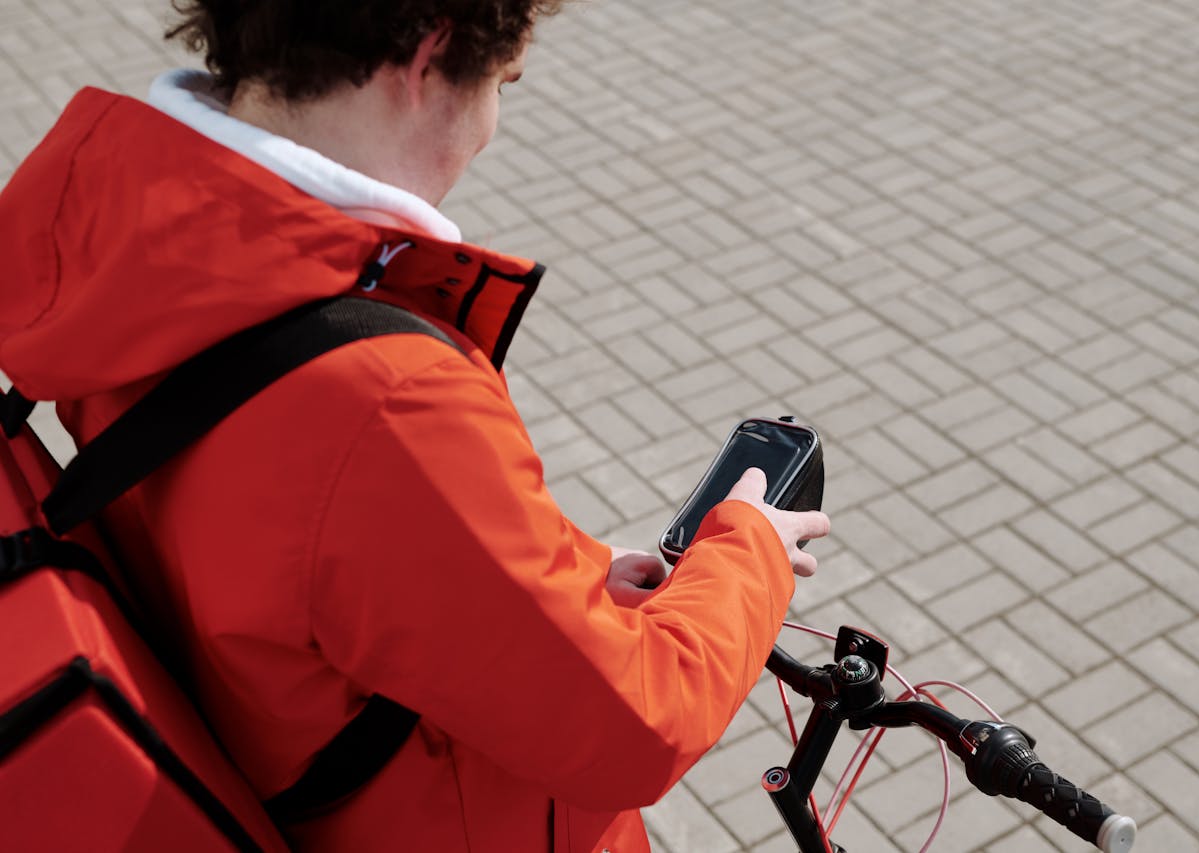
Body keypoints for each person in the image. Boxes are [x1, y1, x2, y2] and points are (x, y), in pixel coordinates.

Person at [0, 1, 831, 850]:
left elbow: (301, 560)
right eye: (502, 82)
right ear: (429, 55)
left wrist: (562, 580)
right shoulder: (388, 398)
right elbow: (637, 724)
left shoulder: (121, 216)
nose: (490, 126)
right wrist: (749, 549)